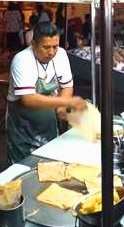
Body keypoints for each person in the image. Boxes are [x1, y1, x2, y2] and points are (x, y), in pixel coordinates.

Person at [6, 22, 87, 163]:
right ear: (33, 44)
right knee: (24, 167)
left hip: (48, 123)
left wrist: (61, 108)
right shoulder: (22, 60)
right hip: (23, 126)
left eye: (55, 46)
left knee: (49, 163)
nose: (51, 52)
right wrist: (66, 101)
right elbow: (28, 99)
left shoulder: (61, 55)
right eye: (46, 47)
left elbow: (67, 86)